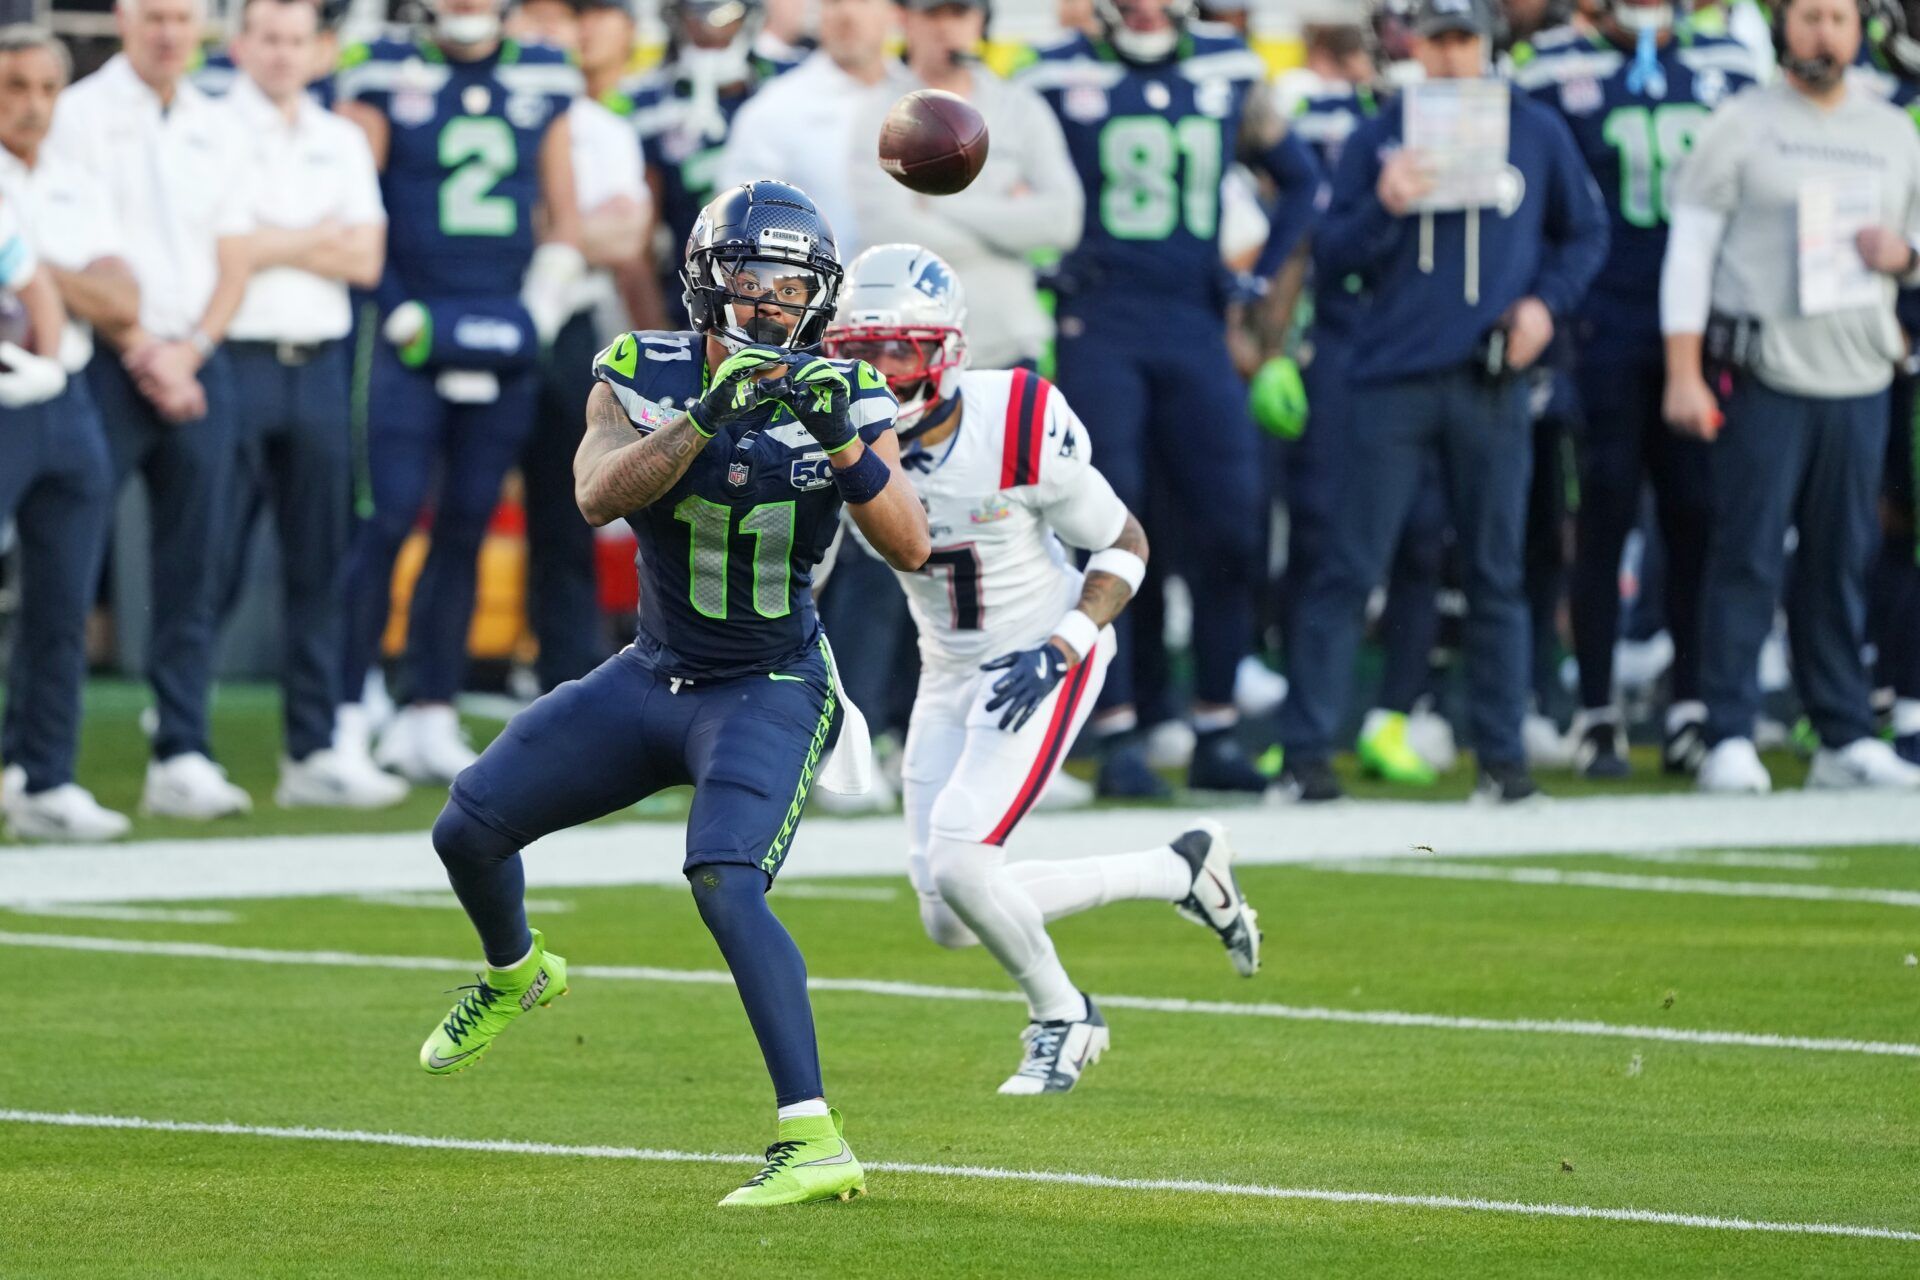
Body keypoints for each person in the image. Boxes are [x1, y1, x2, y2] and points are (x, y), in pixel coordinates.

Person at [418, 181, 929, 1206]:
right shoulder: (641, 369)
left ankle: (814, 1136)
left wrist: (840, 443)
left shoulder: (848, 387)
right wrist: (704, 418)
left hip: (769, 682)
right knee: (465, 830)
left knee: (726, 879)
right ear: (707, 282)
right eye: (753, 278)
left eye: (793, 285)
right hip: (651, 672)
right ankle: (517, 971)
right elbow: (594, 495)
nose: (773, 301)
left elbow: (909, 542)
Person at [824, 244, 1259, 1095]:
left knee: (962, 865)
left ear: (946, 352)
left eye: (900, 348)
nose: (879, 371)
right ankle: (1181, 869)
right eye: (860, 351)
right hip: (947, 667)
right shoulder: (826, 437)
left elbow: (1124, 542)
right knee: (949, 915)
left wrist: (1064, 644)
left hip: (1041, 653)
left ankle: (1064, 1015)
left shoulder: (1015, 419)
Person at [1276, 0, 1608, 804]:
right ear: (1414, 47)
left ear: (1487, 44)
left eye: (1465, 39)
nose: (1453, 55)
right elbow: (1333, 257)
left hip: (1490, 378)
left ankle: (1503, 763)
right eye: (1439, 40)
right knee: (1351, 566)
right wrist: (1383, 203)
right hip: (1390, 380)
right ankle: (1304, 759)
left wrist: (1543, 307)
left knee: (1496, 573)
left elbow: (1586, 232)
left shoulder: (1534, 129)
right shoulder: (1379, 135)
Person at [1022, 0, 1324, 797]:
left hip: (1194, 323)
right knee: (1104, 523)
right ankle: (1115, 726)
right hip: (1100, 321)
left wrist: (1257, 280)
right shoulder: (1054, 74)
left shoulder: (1227, 65)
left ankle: (1215, 727)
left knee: (1231, 522)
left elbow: (1302, 180)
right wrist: (1043, 266)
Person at [1662, 0, 1920, 791]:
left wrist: (1904, 254)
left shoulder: (1893, 130)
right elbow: (1691, 251)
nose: (1822, 33)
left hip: (1860, 371)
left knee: (1842, 558)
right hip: (1765, 371)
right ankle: (1729, 730)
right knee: (1746, 551)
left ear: (1859, 31)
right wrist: (1683, 370)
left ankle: (1843, 732)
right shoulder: (1740, 124)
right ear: (1783, 26)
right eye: (1808, 16)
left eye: (1837, 18)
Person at [334, 0, 584, 784]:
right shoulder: (381, 68)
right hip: (408, 320)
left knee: (469, 520)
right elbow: (352, 200)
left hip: (501, 320)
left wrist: (540, 306)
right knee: (387, 518)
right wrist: (391, 300)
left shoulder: (543, 75)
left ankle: (431, 709)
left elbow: (565, 215)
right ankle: (346, 707)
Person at [1514, 0, 1754, 779]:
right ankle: (1596, 709)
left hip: (1702, 328)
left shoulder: (1726, 64)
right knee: (1604, 514)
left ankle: (1690, 704)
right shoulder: (1555, 69)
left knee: (1696, 514)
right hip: (1598, 330)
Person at [48, 0, 258, 819]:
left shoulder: (216, 120)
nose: (168, 32)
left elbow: (234, 256)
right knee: (64, 560)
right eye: (153, 16)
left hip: (196, 361)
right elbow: (69, 248)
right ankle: (37, 762)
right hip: (105, 362)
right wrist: (143, 348)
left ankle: (182, 751)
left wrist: (190, 350)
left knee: (194, 566)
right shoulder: (76, 113)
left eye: (180, 17)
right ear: (124, 19)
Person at [213, 0, 404, 809]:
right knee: (210, 554)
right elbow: (218, 248)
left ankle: (314, 747)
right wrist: (307, 240)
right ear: (239, 45)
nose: (283, 54)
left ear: (320, 50)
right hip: (234, 354)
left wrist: (266, 242)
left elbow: (365, 259)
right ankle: (179, 738)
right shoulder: (207, 128)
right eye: (269, 38)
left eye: (297, 40)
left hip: (320, 360)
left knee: (320, 559)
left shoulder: (340, 137)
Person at [0, 27, 133, 840]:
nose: (32, 105)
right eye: (14, 86)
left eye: (46, 88)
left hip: (66, 392)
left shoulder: (78, 180)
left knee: (62, 599)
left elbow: (122, 301)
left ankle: (44, 775)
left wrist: (40, 277)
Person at [508, 0, 653, 693]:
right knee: (450, 510)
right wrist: (570, 229)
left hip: (568, 328)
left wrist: (533, 227)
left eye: (559, 17)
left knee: (568, 511)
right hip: (479, 314)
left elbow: (625, 239)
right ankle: (419, 691)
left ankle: (563, 676)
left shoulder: (605, 127)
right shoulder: (483, 105)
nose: (548, 31)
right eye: (532, 16)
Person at [851, 0, 1083, 371]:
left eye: (959, 13)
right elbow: (889, 230)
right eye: (932, 14)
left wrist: (937, 204)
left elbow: (1062, 222)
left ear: (981, 20)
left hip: (1007, 339)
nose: (946, 27)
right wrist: (1009, 227)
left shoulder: (1021, 108)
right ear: (905, 20)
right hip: (912, 347)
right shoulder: (879, 114)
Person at [628, 0, 796, 325]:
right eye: (694, 13)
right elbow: (641, 242)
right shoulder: (648, 102)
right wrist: (659, 333)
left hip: (788, 281)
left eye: (722, 12)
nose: (707, 26)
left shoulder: (791, 84)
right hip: (693, 294)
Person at [716, 0, 913, 257]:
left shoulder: (922, 102)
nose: (847, 13)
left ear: (895, 13)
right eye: (833, 2)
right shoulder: (773, 110)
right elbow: (739, 228)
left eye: (863, 1)